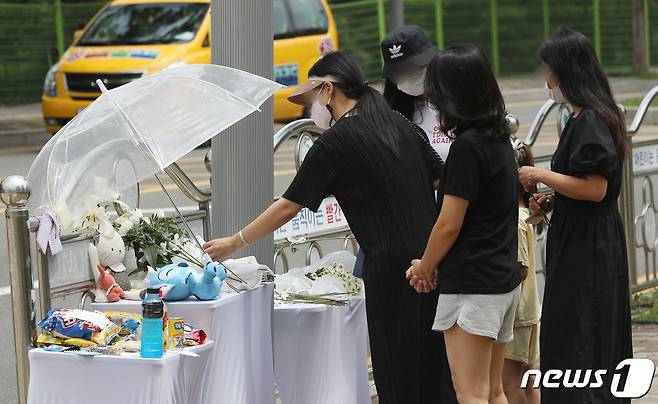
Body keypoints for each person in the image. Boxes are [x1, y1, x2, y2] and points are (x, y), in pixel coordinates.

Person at [203, 51, 457, 404]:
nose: (311, 110)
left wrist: (236, 240)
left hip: (392, 269)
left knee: (397, 372)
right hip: (431, 260)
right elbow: (439, 177)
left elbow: (288, 205)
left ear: (327, 90)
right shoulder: (397, 123)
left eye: (310, 99)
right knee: (435, 368)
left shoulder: (335, 142)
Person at [518, 29, 633, 403]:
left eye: (549, 70)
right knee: (580, 327)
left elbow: (595, 188)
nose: (546, 79)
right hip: (585, 237)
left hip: (589, 247)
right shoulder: (588, 115)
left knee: (582, 329)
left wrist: (539, 175)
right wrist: (553, 198)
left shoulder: (591, 121)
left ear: (566, 71)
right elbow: (582, 186)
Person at [406, 45, 522, 404]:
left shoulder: (467, 149)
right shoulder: (498, 139)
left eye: (436, 93)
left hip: (472, 288)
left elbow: (448, 225)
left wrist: (425, 267)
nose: (433, 101)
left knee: (470, 393)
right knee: (492, 390)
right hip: (502, 281)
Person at [503, 139, 541, 404]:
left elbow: (521, 269)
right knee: (528, 379)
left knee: (510, 384)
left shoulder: (515, 219)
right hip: (530, 311)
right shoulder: (526, 211)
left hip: (517, 315)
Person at [380, 25, 453, 161]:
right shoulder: (391, 116)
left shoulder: (458, 101)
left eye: (412, 69)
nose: (407, 77)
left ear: (432, 61)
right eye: (398, 73)